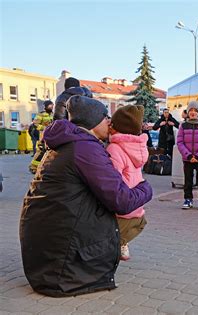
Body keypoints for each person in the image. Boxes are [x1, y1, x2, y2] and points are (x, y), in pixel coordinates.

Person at [20, 95, 153, 297]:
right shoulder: (85, 148)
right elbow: (122, 201)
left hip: (47, 255)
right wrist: (146, 188)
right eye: (105, 117)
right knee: (132, 217)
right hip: (60, 270)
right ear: (93, 121)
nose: (109, 122)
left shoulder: (68, 142)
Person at [106, 105, 149, 261]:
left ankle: (119, 243)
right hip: (136, 204)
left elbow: (111, 180)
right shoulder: (138, 147)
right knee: (138, 223)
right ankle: (122, 244)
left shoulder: (115, 148)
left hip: (121, 205)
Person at [177, 101, 198, 210]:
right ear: (188, 112)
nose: (193, 113)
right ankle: (188, 199)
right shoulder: (183, 126)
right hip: (187, 159)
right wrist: (188, 155)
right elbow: (180, 142)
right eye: (191, 110)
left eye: (195, 111)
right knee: (188, 180)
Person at [29, 100, 54, 173]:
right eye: (50, 105)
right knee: (41, 151)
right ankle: (33, 167)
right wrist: (45, 128)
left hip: (51, 136)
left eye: (52, 105)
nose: (52, 107)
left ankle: (44, 167)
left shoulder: (53, 114)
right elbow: (35, 124)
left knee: (49, 151)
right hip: (43, 136)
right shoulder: (41, 114)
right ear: (46, 106)